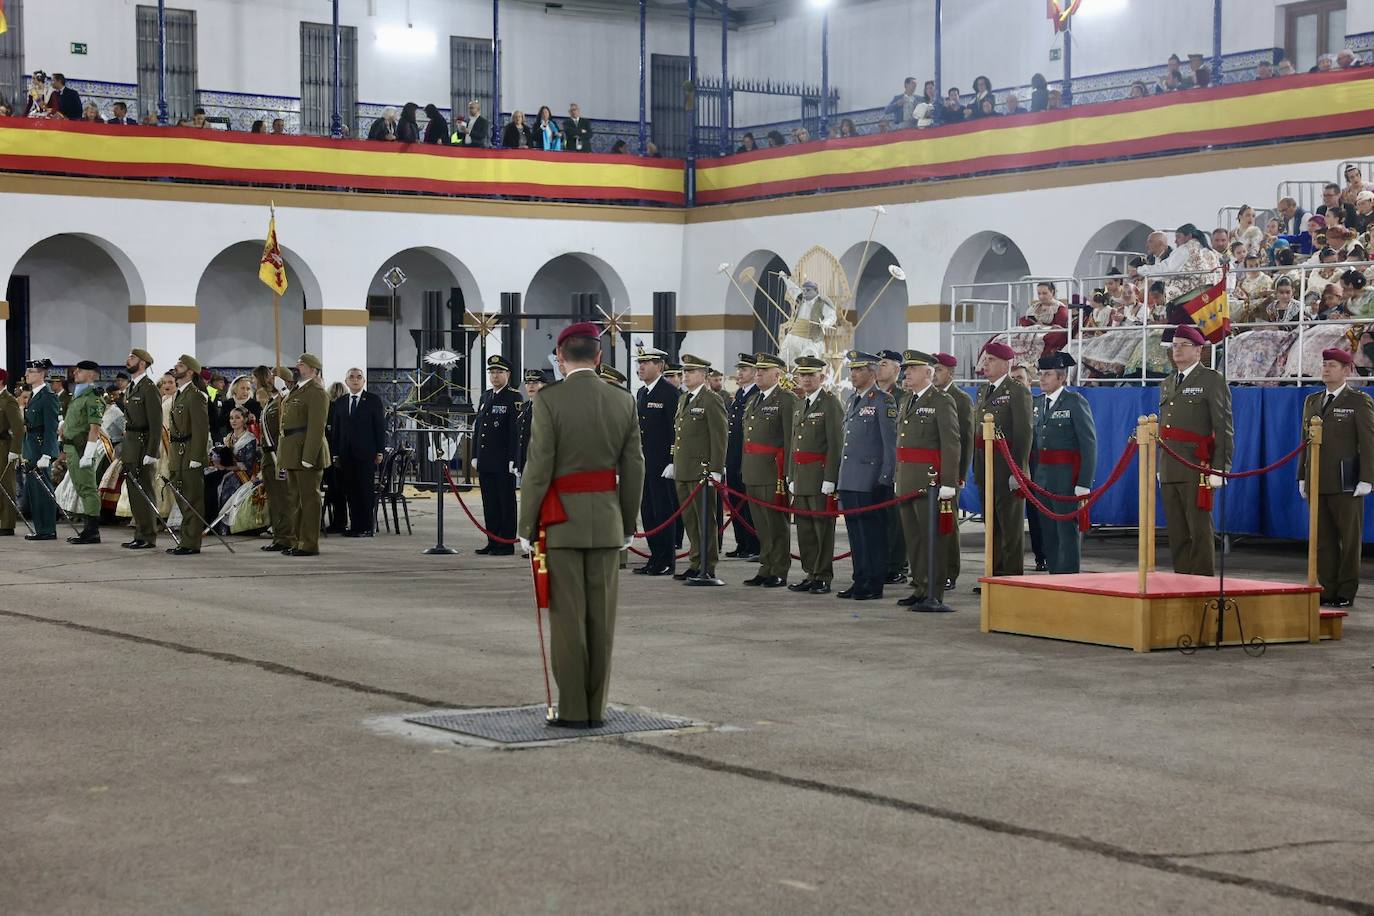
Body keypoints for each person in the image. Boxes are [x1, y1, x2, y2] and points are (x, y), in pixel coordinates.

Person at [515, 321, 644, 729]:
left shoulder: (549, 400)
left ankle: (572, 709)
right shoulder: (623, 400)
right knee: (601, 620)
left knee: (568, 620)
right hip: (606, 522)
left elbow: (539, 468)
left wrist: (525, 525)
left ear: (560, 358)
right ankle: (596, 709)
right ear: (599, 356)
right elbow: (634, 467)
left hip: (562, 523)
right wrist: (626, 523)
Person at [1299, 349, 1374, 608]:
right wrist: (1302, 476)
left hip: (1346, 481)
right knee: (1323, 539)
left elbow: (1368, 442)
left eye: (1332, 365)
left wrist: (1367, 478)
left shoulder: (1358, 401)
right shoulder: (1312, 400)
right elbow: (1304, 443)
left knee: (1349, 539)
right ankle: (1328, 587)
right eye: (1324, 364)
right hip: (1317, 479)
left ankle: (1345, 590)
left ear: (1347, 370)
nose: (1326, 369)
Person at [1158, 325, 1232, 577]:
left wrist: (1220, 467)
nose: (1176, 349)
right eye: (1174, 345)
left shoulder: (1211, 380)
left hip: (1196, 465)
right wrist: (1161, 465)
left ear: (1199, 350)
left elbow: (1223, 426)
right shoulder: (1168, 383)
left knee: (1198, 531)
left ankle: (1201, 584)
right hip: (1170, 465)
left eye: (1183, 345)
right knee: (1177, 531)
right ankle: (1182, 579)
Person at [891, 351, 960, 610]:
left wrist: (949, 482)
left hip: (930, 482)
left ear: (928, 373)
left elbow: (951, 443)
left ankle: (934, 589)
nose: (906, 373)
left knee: (933, 538)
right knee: (914, 538)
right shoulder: (907, 400)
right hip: (908, 481)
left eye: (913, 369)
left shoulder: (941, 401)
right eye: (906, 369)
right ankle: (920, 586)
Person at [836, 351, 896, 601]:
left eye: (859, 370)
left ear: (872, 373)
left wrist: (885, 477)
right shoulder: (852, 400)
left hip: (870, 478)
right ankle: (859, 578)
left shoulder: (883, 401)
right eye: (852, 370)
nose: (853, 374)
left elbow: (889, 444)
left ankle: (873, 582)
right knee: (855, 533)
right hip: (851, 477)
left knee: (872, 534)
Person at [1032, 352, 1096, 575]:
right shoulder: (1038, 403)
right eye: (1040, 374)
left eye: (1047, 374)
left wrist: (1084, 481)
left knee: (1066, 530)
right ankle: (1054, 575)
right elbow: (1035, 446)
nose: (1042, 379)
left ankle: (1068, 577)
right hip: (1043, 478)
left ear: (1061, 378)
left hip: (1066, 478)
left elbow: (1088, 444)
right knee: (1048, 530)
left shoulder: (1075, 402)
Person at [973, 342, 1033, 579]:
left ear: (1006, 364)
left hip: (1006, 468)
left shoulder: (1017, 391)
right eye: (985, 360)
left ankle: (1010, 577)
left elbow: (1023, 433)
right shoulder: (983, 391)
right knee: (992, 525)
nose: (985, 364)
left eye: (991, 360)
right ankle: (994, 573)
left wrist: (1018, 471)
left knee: (1010, 527)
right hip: (985, 467)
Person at [666, 354, 726, 581]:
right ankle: (695, 561)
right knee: (690, 520)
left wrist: (716, 469)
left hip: (702, 471)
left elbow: (719, 437)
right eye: (684, 372)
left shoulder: (711, 400)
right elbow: (680, 436)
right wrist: (674, 462)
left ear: (703, 375)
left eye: (690, 372)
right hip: (684, 469)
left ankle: (707, 565)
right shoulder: (684, 399)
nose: (685, 375)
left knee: (705, 521)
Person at [785, 356, 843, 594]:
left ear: (822, 377)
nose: (806, 379)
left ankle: (823, 575)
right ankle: (810, 572)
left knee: (822, 528)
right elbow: (793, 444)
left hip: (820, 477)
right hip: (800, 476)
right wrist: (790, 475)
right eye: (803, 375)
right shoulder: (800, 404)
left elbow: (835, 444)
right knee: (805, 528)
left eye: (811, 375)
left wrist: (831, 478)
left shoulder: (830, 404)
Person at [741, 353, 793, 588]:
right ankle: (766, 566)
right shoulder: (754, 400)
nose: (758, 373)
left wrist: (789, 472)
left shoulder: (786, 400)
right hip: (753, 469)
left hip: (774, 471)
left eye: (764, 370)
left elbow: (791, 439)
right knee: (761, 524)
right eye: (757, 370)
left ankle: (779, 569)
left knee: (776, 523)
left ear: (777, 374)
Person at [633, 346, 680, 576]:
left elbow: (675, 431)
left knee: (663, 513)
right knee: (648, 513)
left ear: (660, 366)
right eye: (640, 363)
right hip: (644, 465)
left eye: (647, 362)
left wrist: (672, 460)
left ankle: (667, 560)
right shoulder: (642, 393)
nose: (641, 367)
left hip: (662, 466)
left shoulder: (670, 393)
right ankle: (654, 557)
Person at [279, 354, 330, 557]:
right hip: (293, 451)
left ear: (312, 369)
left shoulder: (316, 392)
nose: (297, 367)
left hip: (306, 451)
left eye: (301, 364)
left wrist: (309, 456)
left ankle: (309, 543)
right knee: (295, 500)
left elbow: (317, 427)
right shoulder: (299, 389)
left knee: (309, 501)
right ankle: (299, 540)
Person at [328, 367, 386, 538]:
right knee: (351, 492)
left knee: (365, 491)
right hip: (346, 455)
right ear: (346, 381)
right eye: (351, 377)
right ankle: (354, 526)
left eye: (358, 377)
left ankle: (366, 527)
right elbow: (336, 429)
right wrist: (335, 453)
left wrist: (380, 450)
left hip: (366, 454)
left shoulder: (373, 400)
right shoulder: (341, 402)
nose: (355, 380)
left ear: (363, 381)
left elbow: (380, 427)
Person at [473, 355, 521, 555]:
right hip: (486, 460)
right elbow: (479, 429)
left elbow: (514, 432)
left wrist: (513, 458)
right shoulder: (485, 396)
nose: (494, 376)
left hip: (502, 461)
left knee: (505, 502)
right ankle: (492, 540)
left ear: (507, 374)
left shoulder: (513, 397)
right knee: (489, 503)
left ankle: (506, 543)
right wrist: (475, 455)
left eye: (499, 372)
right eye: (492, 372)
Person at [933, 353, 973, 590]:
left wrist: (959, 475)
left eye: (938, 369)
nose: (934, 373)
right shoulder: (932, 397)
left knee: (948, 524)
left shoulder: (961, 399)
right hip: (929, 470)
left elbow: (965, 441)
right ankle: (932, 570)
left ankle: (949, 571)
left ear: (950, 372)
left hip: (949, 472)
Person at [163, 356, 210, 555]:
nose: (176, 367)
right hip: (177, 453)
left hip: (190, 452)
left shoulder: (195, 395)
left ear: (190, 372)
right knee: (182, 497)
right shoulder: (180, 394)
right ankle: (186, 539)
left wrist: (197, 456)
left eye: (180, 366)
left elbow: (201, 429)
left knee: (192, 499)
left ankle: (191, 543)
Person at [118, 348, 164, 549]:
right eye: (129, 357)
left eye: (133, 358)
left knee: (145, 491)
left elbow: (156, 423)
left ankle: (148, 535)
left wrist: (152, 452)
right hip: (131, 445)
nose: (128, 360)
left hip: (144, 445)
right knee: (135, 493)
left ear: (143, 363)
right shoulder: (131, 387)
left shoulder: (148, 388)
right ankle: (140, 533)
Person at [61, 360, 107, 545]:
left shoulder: (93, 398)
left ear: (91, 375)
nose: (75, 373)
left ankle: (92, 530)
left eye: (80, 371)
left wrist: (88, 453)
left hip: (82, 448)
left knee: (88, 489)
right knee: (81, 488)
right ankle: (88, 529)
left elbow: (94, 427)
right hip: (72, 448)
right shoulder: (77, 396)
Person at [876, 349, 909, 585]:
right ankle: (880, 561)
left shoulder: (902, 397)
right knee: (877, 517)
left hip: (894, 465)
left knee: (895, 519)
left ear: (897, 370)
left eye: (884, 364)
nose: (879, 368)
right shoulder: (870, 395)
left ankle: (897, 565)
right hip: (871, 465)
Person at [1011, 363, 1047, 572]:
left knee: (1038, 513)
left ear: (1029, 382)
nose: (1016, 382)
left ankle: (1043, 556)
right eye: (1012, 378)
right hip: (1013, 463)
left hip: (1037, 464)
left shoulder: (1039, 404)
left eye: (1019, 378)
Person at [725, 354, 759, 561]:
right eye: (739, 369)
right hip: (734, 456)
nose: (739, 373)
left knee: (748, 504)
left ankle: (753, 544)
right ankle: (741, 543)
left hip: (747, 457)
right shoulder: (739, 394)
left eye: (744, 370)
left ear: (755, 373)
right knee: (736, 500)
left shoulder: (755, 395)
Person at [22, 359, 61, 540]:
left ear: (41, 374)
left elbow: (50, 428)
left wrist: (47, 453)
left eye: (31, 371)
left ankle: (47, 529)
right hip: (31, 447)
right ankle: (41, 528)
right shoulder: (34, 395)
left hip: (40, 448)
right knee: (34, 490)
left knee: (43, 489)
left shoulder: (48, 396)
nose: (27, 374)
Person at [257, 366, 295, 552]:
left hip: (278, 454)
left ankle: (287, 537)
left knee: (283, 499)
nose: (270, 380)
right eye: (270, 377)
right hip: (268, 456)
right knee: (274, 499)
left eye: (275, 377)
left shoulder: (286, 400)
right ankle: (279, 536)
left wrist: (285, 391)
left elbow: (294, 409)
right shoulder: (272, 402)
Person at [0, 371, 21, 536]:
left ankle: (7, 524)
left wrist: (14, 451)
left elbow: (18, 429)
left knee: (7, 486)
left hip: (3, 447)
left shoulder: (9, 401)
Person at [516, 369, 548, 473]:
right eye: (528, 383)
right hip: (525, 461)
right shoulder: (524, 407)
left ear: (544, 385)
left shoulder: (549, 407)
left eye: (535, 383)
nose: (531, 386)